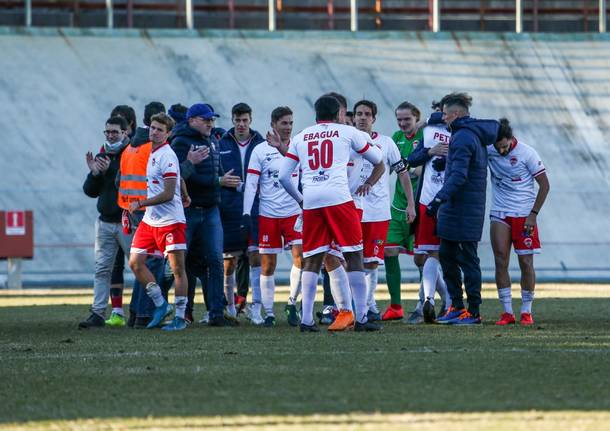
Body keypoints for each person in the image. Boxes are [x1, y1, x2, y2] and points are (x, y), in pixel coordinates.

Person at [278, 95, 382, 332]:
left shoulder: (302, 136)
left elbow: (284, 176)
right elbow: (377, 158)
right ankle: (362, 317)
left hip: (312, 200)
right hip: (339, 197)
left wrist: (301, 199)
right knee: (354, 253)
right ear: (339, 115)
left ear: (316, 116)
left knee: (313, 258)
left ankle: (306, 320)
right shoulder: (347, 132)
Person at [426, 92, 500, 325]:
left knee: (467, 259)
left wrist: (438, 200)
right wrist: (445, 162)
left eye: (445, 114)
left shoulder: (462, 137)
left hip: (461, 208)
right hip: (463, 208)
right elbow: (462, 167)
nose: (443, 118)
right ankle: (457, 306)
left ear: (456, 114)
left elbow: (459, 177)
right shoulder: (470, 134)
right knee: (448, 255)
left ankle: (473, 311)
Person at [353, 100, 416, 322]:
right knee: (352, 259)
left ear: (374, 118)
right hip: (351, 210)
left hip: (378, 212)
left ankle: (369, 305)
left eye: (366, 114)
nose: (362, 117)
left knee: (372, 261)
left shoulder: (387, 143)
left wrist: (411, 204)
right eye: (358, 114)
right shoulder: (347, 140)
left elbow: (403, 173)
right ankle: (355, 307)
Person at [128, 112, 191, 331]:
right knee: (135, 262)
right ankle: (161, 305)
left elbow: (167, 192)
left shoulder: (167, 155)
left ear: (168, 134)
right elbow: (178, 178)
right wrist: (185, 193)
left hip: (170, 221)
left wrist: (140, 203)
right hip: (151, 220)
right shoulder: (152, 151)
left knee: (177, 270)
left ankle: (181, 318)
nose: (154, 132)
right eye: (152, 128)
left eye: (159, 130)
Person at [171, 103, 230, 327]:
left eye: (212, 119)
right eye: (205, 119)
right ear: (192, 120)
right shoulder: (181, 142)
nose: (210, 123)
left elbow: (217, 169)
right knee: (181, 263)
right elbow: (177, 177)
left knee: (215, 260)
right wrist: (214, 181)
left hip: (211, 209)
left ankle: (216, 312)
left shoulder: (212, 140)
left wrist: (223, 180)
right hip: (189, 211)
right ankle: (182, 311)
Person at [243, 106, 303, 327]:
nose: (288, 127)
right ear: (273, 124)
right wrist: (246, 211)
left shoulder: (298, 145)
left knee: (301, 258)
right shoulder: (259, 150)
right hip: (268, 214)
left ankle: (291, 303)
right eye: (284, 123)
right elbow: (251, 183)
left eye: (290, 123)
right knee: (268, 265)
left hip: (294, 212)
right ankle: (268, 312)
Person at [488, 118, 550, 326]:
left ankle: (526, 311)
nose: (502, 151)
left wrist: (533, 214)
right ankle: (507, 312)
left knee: (525, 262)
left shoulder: (527, 153)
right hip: (499, 212)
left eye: (504, 146)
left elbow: (544, 185)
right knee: (500, 260)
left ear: (511, 139)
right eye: (499, 148)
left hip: (524, 214)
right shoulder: (489, 149)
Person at [79, 116, 131, 328]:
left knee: (138, 266)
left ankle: (144, 310)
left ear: (125, 133)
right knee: (102, 269)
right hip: (105, 222)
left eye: (115, 132)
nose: (110, 136)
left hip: (127, 220)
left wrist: (108, 172)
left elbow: (128, 188)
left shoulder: (130, 155)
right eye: (107, 132)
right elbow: (90, 192)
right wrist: (94, 174)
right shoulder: (103, 155)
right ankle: (98, 313)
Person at [117, 103, 166, 328]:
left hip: (133, 209)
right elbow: (164, 180)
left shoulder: (129, 148)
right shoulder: (151, 147)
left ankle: (135, 314)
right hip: (151, 210)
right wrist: (190, 165)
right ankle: (144, 314)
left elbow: (120, 180)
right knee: (152, 263)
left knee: (140, 264)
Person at [406, 100, 452, 323]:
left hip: (450, 202)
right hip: (426, 201)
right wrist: (429, 151)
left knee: (442, 254)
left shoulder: (463, 132)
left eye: (443, 112)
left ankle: (430, 301)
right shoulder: (429, 131)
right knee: (422, 256)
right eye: (438, 112)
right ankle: (443, 300)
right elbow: (412, 159)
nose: (441, 116)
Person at [218, 103, 265, 320]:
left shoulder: (261, 143)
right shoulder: (222, 143)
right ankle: (229, 307)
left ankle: (255, 308)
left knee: (256, 255)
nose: (241, 124)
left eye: (245, 120)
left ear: (251, 120)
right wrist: (222, 182)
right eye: (237, 120)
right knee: (230, 260)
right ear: (232, 120)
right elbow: (215, 173)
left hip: (256, 208)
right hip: (229, 207)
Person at [382, 101, 423, 321]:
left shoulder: (426, 137)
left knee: (422, 258)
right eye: (399, 119)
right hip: (397, 207)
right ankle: (395, 305)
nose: (403, 123)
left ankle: (424, 302)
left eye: (407, 119)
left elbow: (417, 171)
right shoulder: (395, 138)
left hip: (421, 208)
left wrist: (408, 166)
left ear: (417, 118)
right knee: (389, 252)